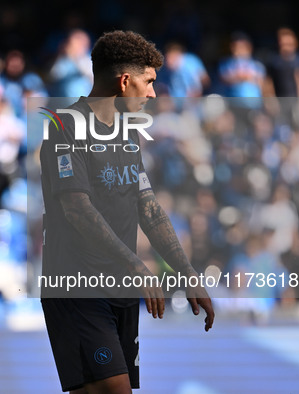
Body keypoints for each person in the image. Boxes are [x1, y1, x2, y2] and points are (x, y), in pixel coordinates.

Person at [40, 30, 214, 393]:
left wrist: (187, 272)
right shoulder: (64, 127)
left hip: (118, 287)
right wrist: (137, 266)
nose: (153, 93)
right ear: (124, 81)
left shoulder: (127, 131)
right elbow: (77, 208)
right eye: (149, 82)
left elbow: (147, 207)